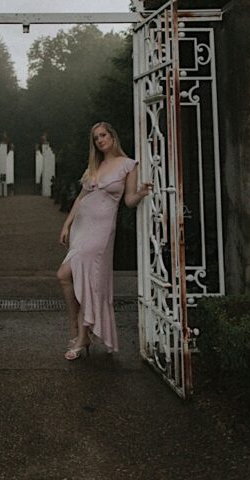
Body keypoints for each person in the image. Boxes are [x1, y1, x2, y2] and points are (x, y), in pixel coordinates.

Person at [57, 122, 151, 360]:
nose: (100, 140)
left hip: (101, 231)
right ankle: (77, 331)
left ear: (112, 136)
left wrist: (141, 193)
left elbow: (128, 200)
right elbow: (81, 197)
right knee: (65, 276)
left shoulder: (128, 165)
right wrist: (67, 224)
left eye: (103, 135)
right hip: (81, 228)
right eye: (96, 138)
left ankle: (80, 336)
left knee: (81, 278)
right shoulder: (94, 166)